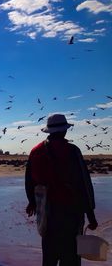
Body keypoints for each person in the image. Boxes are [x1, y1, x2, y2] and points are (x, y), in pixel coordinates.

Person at [25, 114, 98, 266]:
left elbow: (29, 181)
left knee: (49, 256)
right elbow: (84, 184)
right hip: (70, 213)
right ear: (65, 130)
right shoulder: (72, 151)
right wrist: (91, 215)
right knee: (71, 257)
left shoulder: (35, 151)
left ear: (49, 131)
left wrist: (32, 202)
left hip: (46, 212)